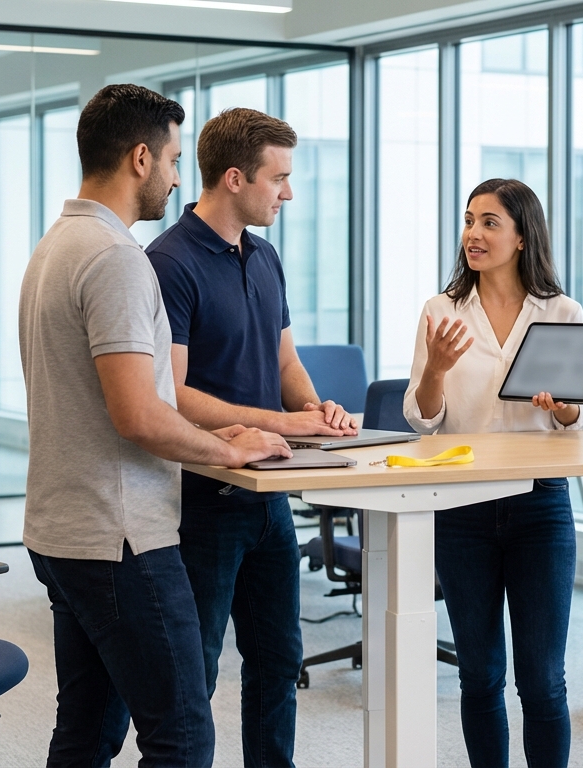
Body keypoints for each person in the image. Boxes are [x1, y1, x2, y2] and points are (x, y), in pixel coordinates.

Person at [19, 84, 291, 768]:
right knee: (184, 736)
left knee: (86, 731)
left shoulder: (56, 245)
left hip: (62, 529)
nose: (177, 175)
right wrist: (229, 453)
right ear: (141, 158)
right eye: (172, 159)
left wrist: (218, 436)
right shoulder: (117, 258)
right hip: (121, 537)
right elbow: (137, 416)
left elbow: (126, 398)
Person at [145, 107, 356, 768]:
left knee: (278, 661)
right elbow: (171, 393)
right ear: (234, 178)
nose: (287, 194)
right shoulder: (168, 262)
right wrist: (281, 423)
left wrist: (316, 408)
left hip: (270, 499)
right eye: (279, 179)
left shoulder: (264, 257)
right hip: (206, 497)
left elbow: (286, 362)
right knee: (196, 672)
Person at [403, 178, 583, 768]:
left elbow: (577, 419)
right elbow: (421, 418)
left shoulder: (562, 312)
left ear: (521, 235)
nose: (473, 235)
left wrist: (563, 408)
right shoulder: (441, 311)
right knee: (480, 673)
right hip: (463, 506)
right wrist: (435, 370)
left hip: (541, 504)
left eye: (489, 222)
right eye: (468, 221)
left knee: (542, 679)